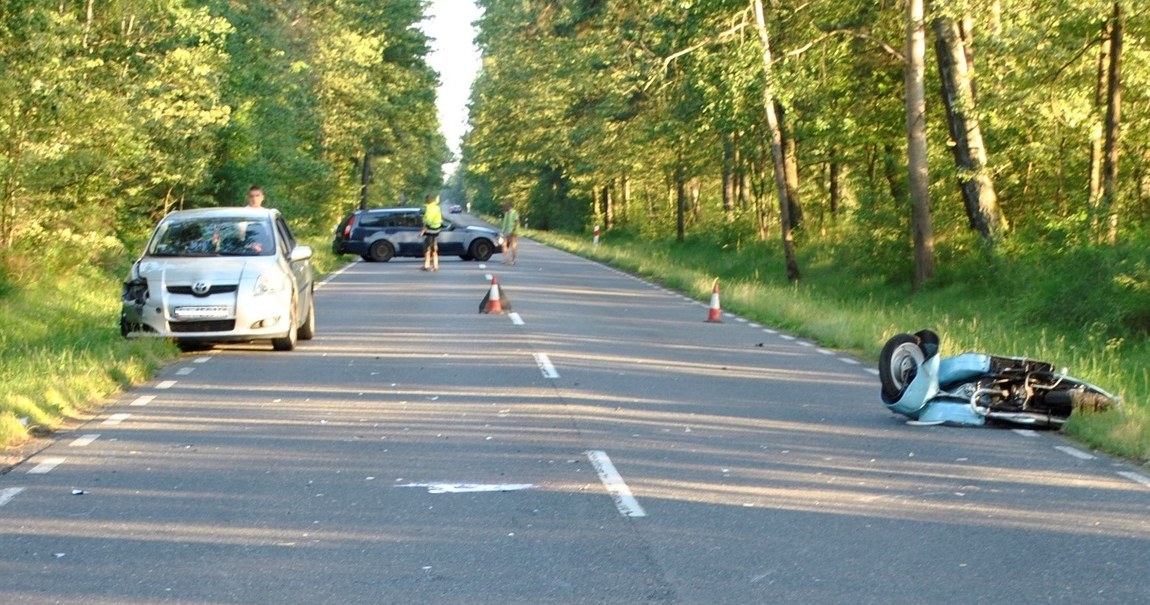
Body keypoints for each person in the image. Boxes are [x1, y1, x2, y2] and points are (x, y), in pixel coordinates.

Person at [421, 194, 443, 271]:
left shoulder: (429, 208)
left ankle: (427, 265)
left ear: (428, 200)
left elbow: (428, 219)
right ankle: (435, 265)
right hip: (437, 229)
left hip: (430, 230)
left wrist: (424, 229)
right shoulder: (437, 208)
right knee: (434, 248)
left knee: (428, 248)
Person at [499, 200, 520, 265]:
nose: (504, 207)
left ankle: (513, 260)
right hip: (506, 232)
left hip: (512, 232)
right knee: (504, 245)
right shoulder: (506, 213)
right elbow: (505, 223)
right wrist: (502, 232)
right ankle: (505, 259)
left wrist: (514, 231)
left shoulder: (514, 212)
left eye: (505, 206)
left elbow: (517, 222)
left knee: (513, 246)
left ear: (509, 206)